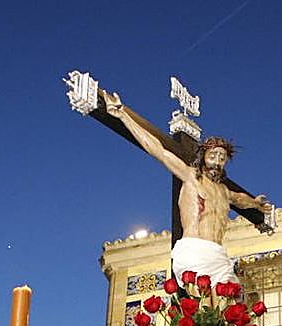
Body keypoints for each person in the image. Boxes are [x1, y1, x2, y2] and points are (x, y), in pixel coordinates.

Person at [101, 90, 272, 286]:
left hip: (218, 254)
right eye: (213, 156)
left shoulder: (224, 191)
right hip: (194, 249)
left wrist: (256, 204)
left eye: (222, 158)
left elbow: (241, 199)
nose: (217, 161)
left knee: (231, 298)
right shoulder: (191, 177)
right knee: (201, 299)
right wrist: (123, 115)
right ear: (203, 157)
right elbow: (158, 150)